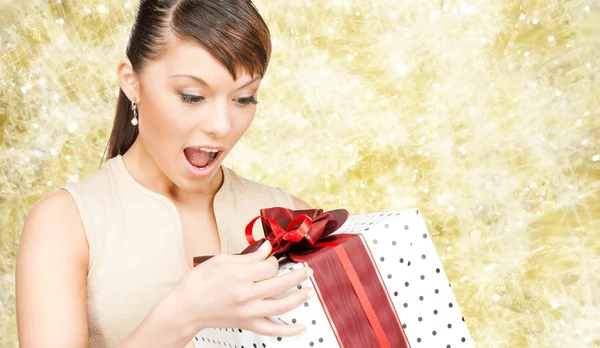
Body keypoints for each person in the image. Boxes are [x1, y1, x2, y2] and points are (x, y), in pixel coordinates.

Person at [15, 1, 315, 347]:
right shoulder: (67, 223)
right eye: (192, 97)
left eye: (244, 98)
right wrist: (183, 313)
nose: (221, 126)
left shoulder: (294, 219)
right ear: (132, 82)